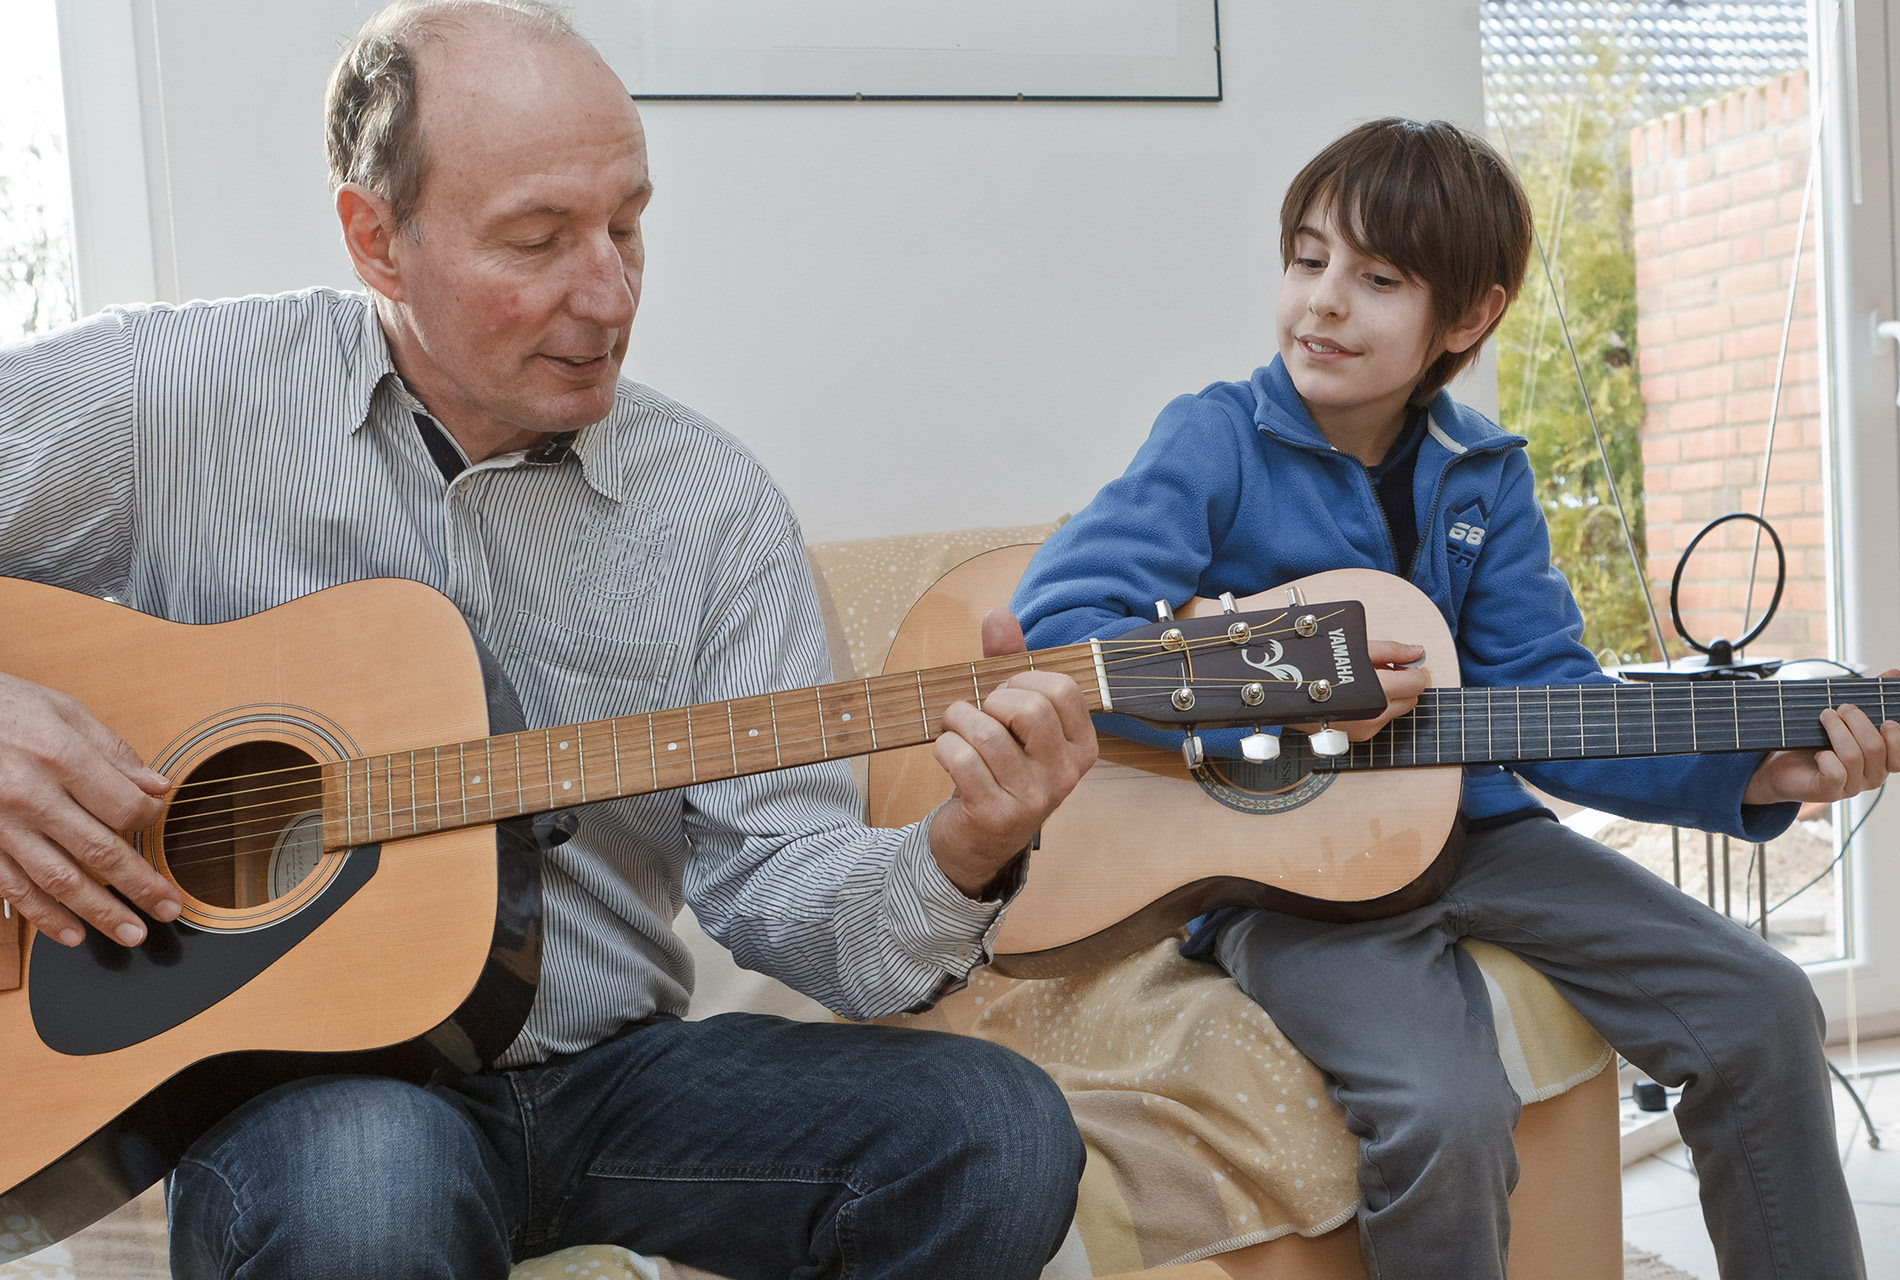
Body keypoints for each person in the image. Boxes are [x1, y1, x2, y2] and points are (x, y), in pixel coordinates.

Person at [0, 2, 1099, 1277]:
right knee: (372, 1185)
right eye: (538, 239)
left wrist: (964, 848)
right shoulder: (170, 400)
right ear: (378, 239)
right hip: (315, 1094)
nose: (610, 292)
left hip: (617, 1081)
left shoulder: (712, 504)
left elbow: (790, 894)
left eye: (629, 225)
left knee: (996, 1132)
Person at [1012, 117, 1900, 1279]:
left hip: (1481, 833)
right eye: (1307, 257)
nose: (1323, 302)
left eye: (1377, 278)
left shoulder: (1487, 470)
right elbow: (1062, 629)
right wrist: (1288, 694)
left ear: (1470, 315)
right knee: (1443, 1105)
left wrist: (1752, 772)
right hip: (1285, 881)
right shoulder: (1214, 439)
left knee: (1767, 1005)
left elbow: (1553, 704)